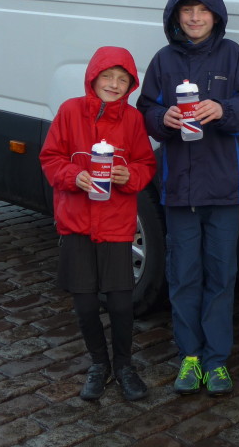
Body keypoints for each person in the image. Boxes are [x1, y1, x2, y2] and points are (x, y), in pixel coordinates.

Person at [137, 0, 239, 396]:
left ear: (216, 16)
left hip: (225, 189)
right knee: (184, 274)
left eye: (202, 11)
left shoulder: (232, 56)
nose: (194, 18)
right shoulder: (163, 60)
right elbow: (146, 110)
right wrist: (163, 120)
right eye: (187, 11)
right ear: (176, 17)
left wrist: (222, 108)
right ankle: (190, 356)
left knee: (221, 275)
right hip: (179, 190)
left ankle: (217, 360)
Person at [40, 46, 156, 402]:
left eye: (122, 79)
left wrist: (129, 174)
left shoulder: (133, 120)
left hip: (117, 226)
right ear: (93, 78)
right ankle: (98, 364)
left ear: (130, 85)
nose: (114, 84)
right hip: (76, 224)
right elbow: (50, 158)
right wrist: (75, 176)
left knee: (121, 305)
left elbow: (146, 164)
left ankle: (124, 365)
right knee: (86, 304)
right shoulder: (70, 111)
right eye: (107, 77)